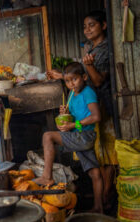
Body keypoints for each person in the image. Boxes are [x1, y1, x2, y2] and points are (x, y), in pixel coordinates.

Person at [47, 11, 118, 207]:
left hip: (103, 104)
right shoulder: (88, 47)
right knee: (97, 156)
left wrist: (75, 123)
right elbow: (80, 76)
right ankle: (101, 201)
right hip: (86, 109)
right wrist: (64, 76)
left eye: (92, 25)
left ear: (103, 25)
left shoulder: (106, 48)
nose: (87, 29)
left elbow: (97, 79)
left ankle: (106, 196)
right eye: (85, 26)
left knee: (107, 154)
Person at [35, 62, 103, 213]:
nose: (71, 84)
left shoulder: (88, 93)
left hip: (84, 136)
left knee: (48, 137)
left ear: (84, 77)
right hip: (81, 134)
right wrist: (65, 114)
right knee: (95, 173)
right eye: (67, 81)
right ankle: (99, 207)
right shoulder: (72, 95)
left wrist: (73, 125)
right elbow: (77, 119)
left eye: (74, 79)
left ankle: (47, 176)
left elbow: (96, 116)